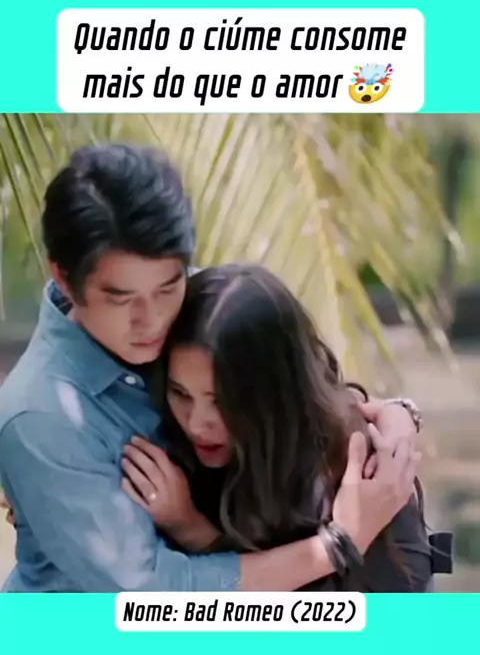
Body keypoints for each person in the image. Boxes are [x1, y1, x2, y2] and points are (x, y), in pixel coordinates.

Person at [0, 143, 422, 593]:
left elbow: (291, 378)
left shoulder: (189, 303)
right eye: (121, 299)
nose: (152, 319)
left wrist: (394, 418)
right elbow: (156, 594)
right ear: (64, 277)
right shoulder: (43, 418)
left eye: (168, 287)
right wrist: (338, 543)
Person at [119, 264, 431, 592]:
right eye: (180, 393)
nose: (196, 423)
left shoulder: (356, 470)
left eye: (222, 401)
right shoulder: (176, 446)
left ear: (276, 395)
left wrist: (190, 528)